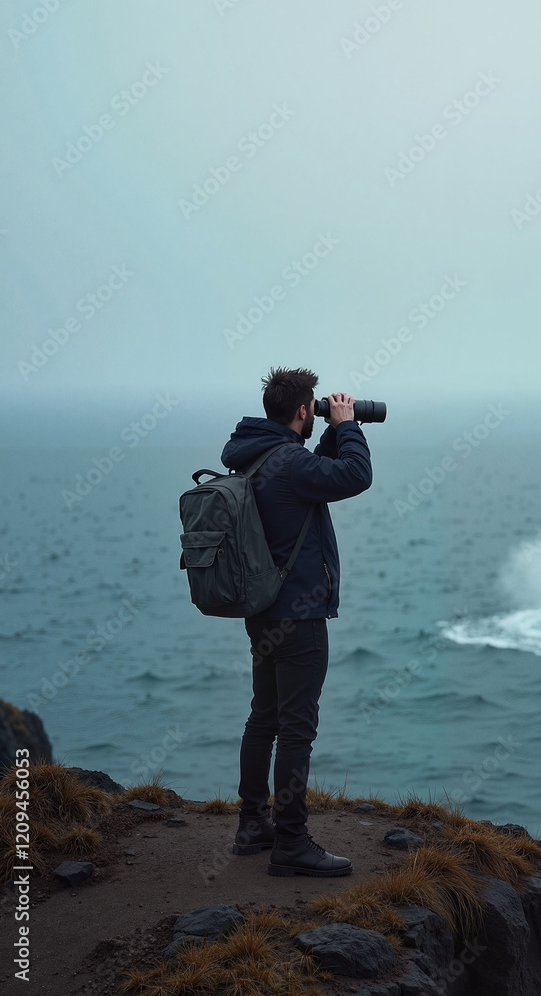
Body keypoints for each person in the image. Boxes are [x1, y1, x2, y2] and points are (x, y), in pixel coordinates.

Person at [220, 366, 372, 876]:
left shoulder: (259, 456)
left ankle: (251, 823)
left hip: (263, 613)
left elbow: (309, 479)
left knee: (264, 716)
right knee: (296, 731)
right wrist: (349, 425)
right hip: (300, 617)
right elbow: (355, 476)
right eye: (319, 409)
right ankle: (291, 843)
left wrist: (330, 434)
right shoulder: (287, 462)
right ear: (304, 410)